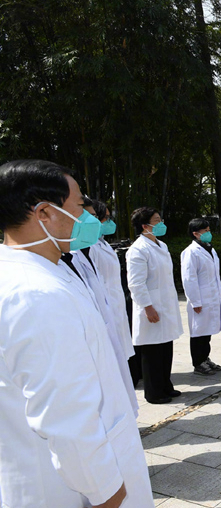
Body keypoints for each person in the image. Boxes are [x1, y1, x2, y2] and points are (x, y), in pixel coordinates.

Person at [0, 159, 153, 508]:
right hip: (73, 489)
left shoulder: (46, 270)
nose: (86, 216)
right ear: (44, 213)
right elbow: (66, 416)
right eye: (80, 206)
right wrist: (106, 492)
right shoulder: (36, 294)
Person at [68, 198, 138, 415]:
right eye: (102, 217)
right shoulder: (78, 253)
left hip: (114, 309)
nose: (104, 222)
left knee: (120, 369)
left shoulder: (98, 246)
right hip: (100, 321)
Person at [127, 206, 183, 404]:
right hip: (151, 307)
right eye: (157, 220)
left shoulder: (161, 245)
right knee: (152, 352)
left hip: (165, 304)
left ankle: (165, 385)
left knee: (165, 347)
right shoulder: (138, 250)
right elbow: (136, 283)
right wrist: (147, 307)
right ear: (145, 226)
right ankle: (153, 392)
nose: (161, 224)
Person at [181, 218, 221, 376]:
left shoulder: (210, 249)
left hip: (211, 297)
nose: (209, 233)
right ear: (196, 233)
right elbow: (189, 278)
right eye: (205, 231)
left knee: (207, 331)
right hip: (200, 299)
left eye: (209, 230)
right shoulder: (191, 252)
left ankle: (205, 358)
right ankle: (198, 363)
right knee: (198, 332)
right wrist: (195, 301)